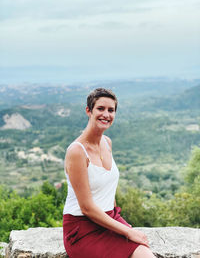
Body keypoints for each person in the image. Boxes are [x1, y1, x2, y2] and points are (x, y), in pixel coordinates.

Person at [63, 88, 156, 258]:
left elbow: (107, 188)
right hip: (83, 229)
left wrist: (120, 222)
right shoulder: (77, 151)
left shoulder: (107, 142)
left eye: (111, 110)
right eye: (100, 108)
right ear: (88, 111)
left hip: (108, 219)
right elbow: (87, 208)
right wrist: (128, 232)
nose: (106, 114)